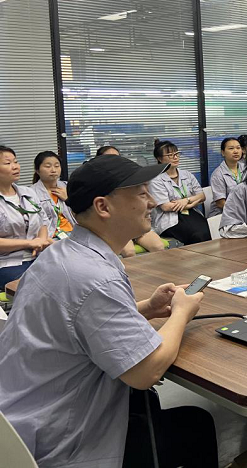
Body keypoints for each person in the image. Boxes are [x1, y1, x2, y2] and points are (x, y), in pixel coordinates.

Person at [0, 154, 217, 467]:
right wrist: (182, 312)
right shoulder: (95, 277)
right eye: (141, 194)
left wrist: (147, 308)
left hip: (20, 419)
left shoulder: (63, 254)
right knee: (195, 426)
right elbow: (146, 371)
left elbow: (76, 320)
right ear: (103, 206)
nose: (152, 202)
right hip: (59, 442)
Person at [96, 145, 166, 257]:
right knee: (129, 252)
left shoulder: (130, 177)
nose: (115, 161)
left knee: (158, 246)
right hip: (117, 227)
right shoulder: (97, 182)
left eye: (117, 157)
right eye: (110, 158)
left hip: (136, 222)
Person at [0, 146, 52, 289]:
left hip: (38, 255)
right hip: (7, 262)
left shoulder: (28, 192)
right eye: (8, 163)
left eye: (16, 162)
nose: (15, 166)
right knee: (39, 287)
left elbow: (43, 221)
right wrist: (29, 243)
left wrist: (41, 241)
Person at [148, 140, 211, 245]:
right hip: (170, 218)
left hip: (191, 213)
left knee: (210, 230)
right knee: (197, 235)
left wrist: (186, 201)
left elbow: (202, 196)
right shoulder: (156, 180)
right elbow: (166, 207)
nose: (175, 157)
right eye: (170, 155)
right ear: (159, 159)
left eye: (177, 154)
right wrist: (193, 202)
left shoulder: (187, 174)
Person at [31, 151, 75, 241]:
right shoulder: (31, 193)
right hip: (51, 238)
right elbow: (34, 224)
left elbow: (81, 213)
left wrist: (68, 199)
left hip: (74, 233)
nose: (53, 170)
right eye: (48, 166)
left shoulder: (67, 186)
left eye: (57, 166)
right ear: (37, 170)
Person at [208, 137, 245, 218]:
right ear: (223, 152)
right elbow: (220, 203)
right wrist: (240, 212)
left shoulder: (246, 168)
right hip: (223, 214)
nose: (236, 151)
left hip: (243, 210)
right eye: (231, 148)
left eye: (238, 148)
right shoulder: (217, 174)